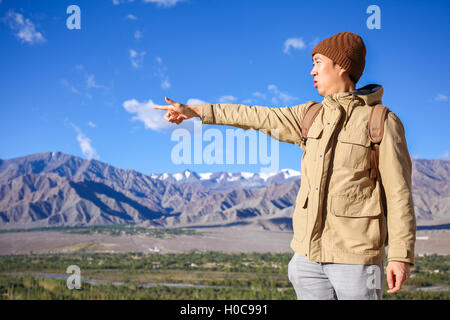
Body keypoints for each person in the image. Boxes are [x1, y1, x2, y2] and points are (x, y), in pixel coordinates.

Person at [153, 31, 416, 300]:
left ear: (342, 66)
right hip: (307, 260)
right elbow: (257, 116)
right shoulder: (310, 115)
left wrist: (399, 255)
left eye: (318, 62)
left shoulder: (381, 121)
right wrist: (196, 111)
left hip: (356, 261)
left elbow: (399, 193)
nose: (311, 71)